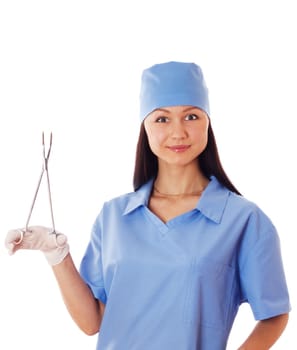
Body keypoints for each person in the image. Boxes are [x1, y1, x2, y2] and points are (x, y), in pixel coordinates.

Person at [5, 61, 291, 350]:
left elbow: (274, 314)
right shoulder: (114, 217)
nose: (178, 132)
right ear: (145, 126)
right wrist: (56, 255)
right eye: (162, 119)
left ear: (208, 121)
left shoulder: (243, 220)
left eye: (191, 116)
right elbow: (92, 322)